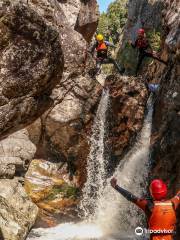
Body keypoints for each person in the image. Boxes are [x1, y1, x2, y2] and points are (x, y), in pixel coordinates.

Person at [110, 178, 180, 240]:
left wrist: (116, 186)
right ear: (165, 190)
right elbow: (178, 195)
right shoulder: (173, 204)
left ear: (152, 193)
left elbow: (131, 197)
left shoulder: (148, 206)